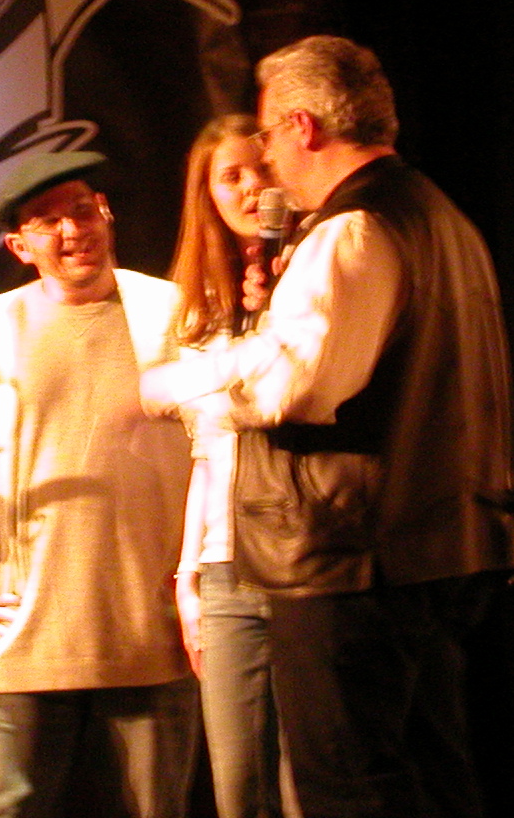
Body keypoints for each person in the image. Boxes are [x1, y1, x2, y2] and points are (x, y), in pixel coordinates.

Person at [142, 36, 514, 818]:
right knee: (430, 777)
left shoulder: (350, 230)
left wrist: (181, 385)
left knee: (345, 784)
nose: (266, 158)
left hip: (352, 558)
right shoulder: (440, 217)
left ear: (303, 126)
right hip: (436, 547)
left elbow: (295, 389)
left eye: (267, 135)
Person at [0, 150, 199, 818]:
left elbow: (224, 450)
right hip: (27, 646)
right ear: (19, 245)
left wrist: (204, 583)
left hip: (154, 642)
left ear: (106, 213)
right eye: (47, 220)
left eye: (82, 210)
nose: (72, 230)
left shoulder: (169, 313)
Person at [166, 115, 302, 818]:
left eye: (261, 169)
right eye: (232, 176)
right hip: (223, 571)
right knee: (238, 789)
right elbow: (205, 454)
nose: (251, 188)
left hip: (302, 559)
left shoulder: (308, 274)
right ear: (208, 195)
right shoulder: (199, 316)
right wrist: (187, 578)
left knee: (307, 784)